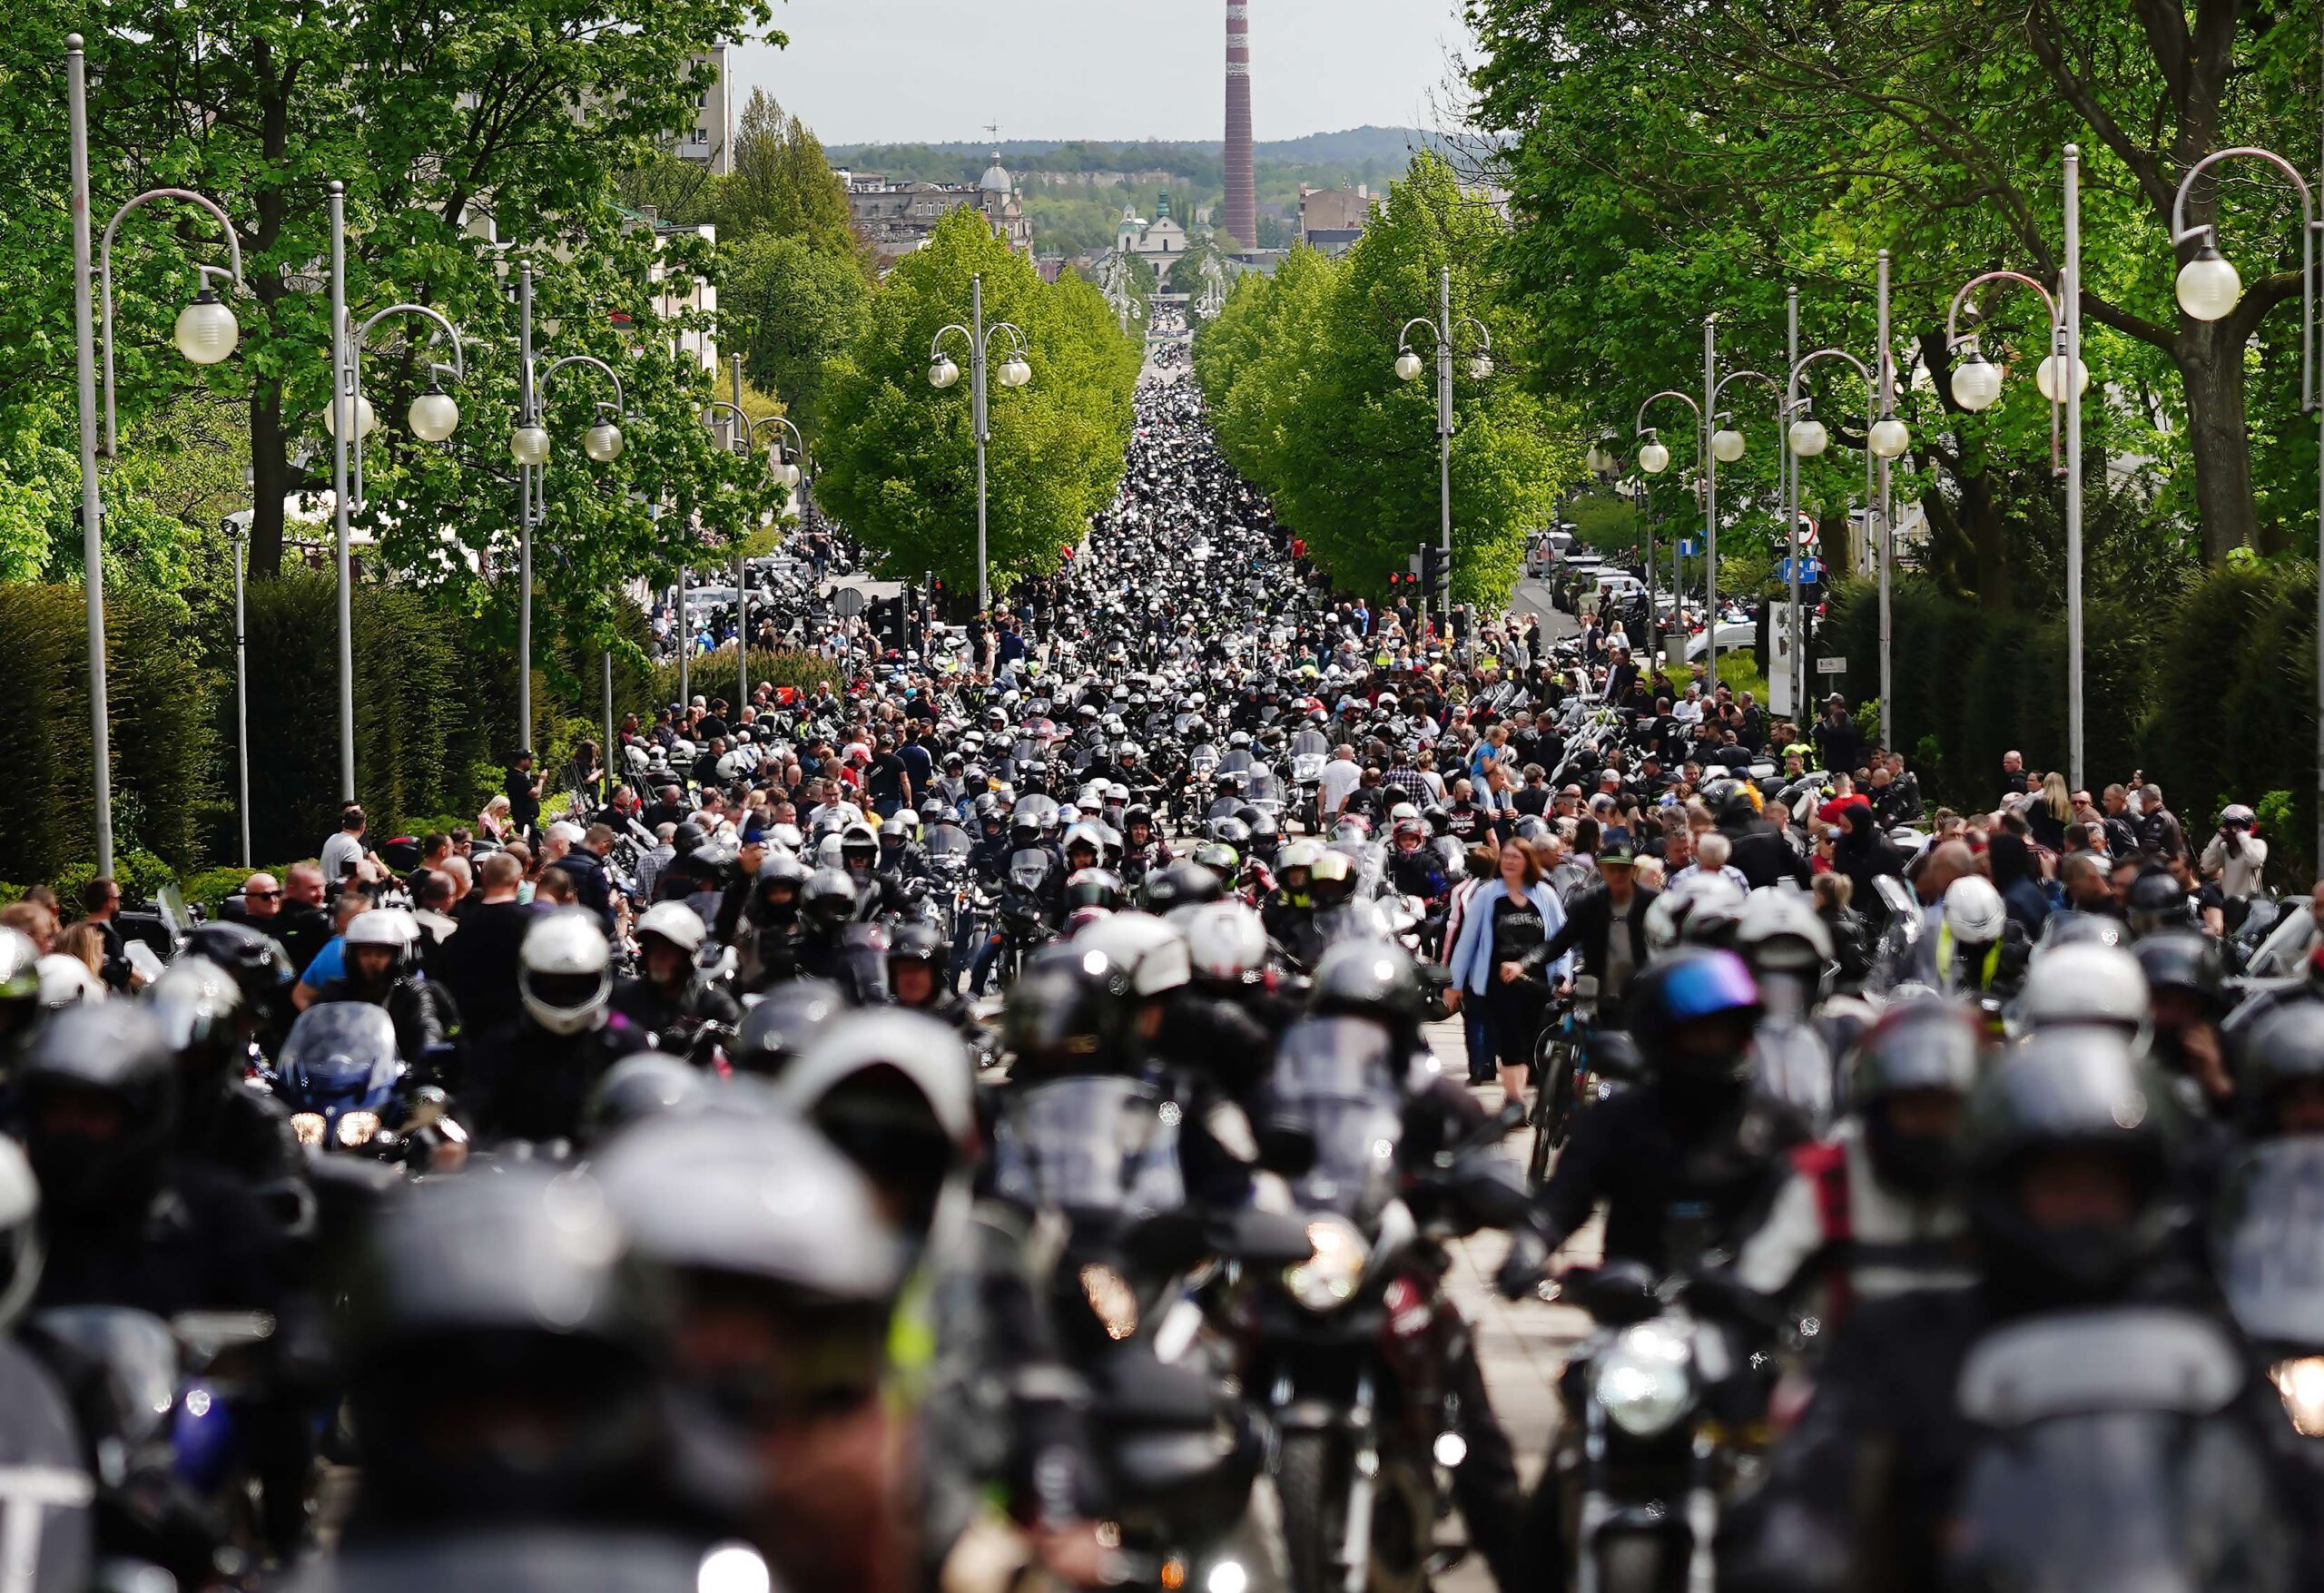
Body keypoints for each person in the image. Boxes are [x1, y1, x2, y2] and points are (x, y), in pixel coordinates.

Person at [1444, 838, 1569, 1099]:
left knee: (1531, 1042)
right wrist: (1454, 984)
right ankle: (1514, 1101)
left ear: (1528, 862)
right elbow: (1467, 940)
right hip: (1498, 982)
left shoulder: (1545, 895)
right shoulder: (1488, 895)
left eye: (1516, 857)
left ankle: (1526, 1095)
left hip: (1538, 983)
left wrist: (1564, 976)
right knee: (1510, 1043)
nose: (1509, 862)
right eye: (1506, 857)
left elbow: (1561, 939)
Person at [505, 750, 543, 842]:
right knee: (530, 843)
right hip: (524, 818)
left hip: (526, 817)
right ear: (522, 761)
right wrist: (541, 780)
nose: (532, 763)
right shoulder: (517, 777)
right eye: (530, 760)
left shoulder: (517, 776)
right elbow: (535, 793)